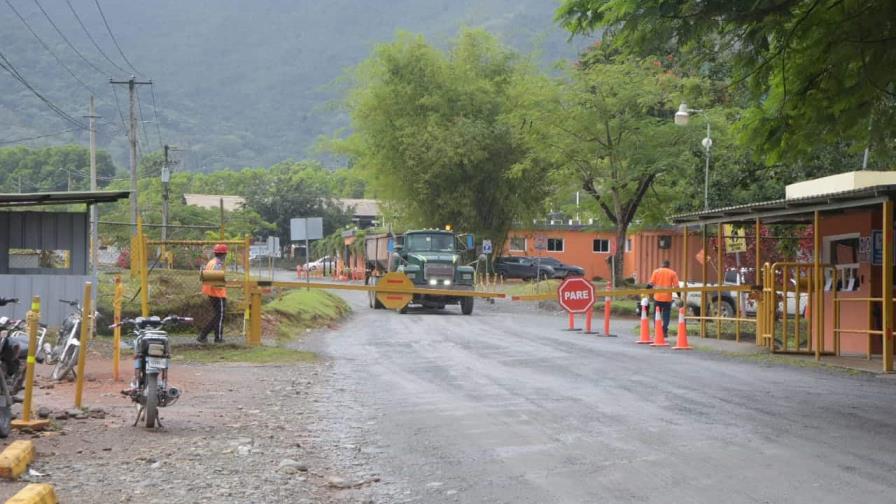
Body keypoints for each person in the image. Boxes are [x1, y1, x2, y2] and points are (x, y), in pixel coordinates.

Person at [198, 244, 228, 343]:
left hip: (211, 293)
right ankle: (218, 338)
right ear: (224, 254)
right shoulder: (218, 264)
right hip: (218, 294)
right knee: (220, 316)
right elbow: (217, 283)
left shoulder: (211, 262)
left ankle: (203, 335)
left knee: (218, 316)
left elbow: (204, 278)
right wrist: (227, 283)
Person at [647, 260, 680, 336]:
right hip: (667, 299)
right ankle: (664, 331)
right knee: (666, 315)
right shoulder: (672, 273)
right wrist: (679, 296)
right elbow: (676, 287)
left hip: (657, 298)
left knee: (656, 314)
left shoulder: (656, 272)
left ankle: (657, 331)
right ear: (668, 265)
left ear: (662, 264)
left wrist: (646, 292)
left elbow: (650, 284)